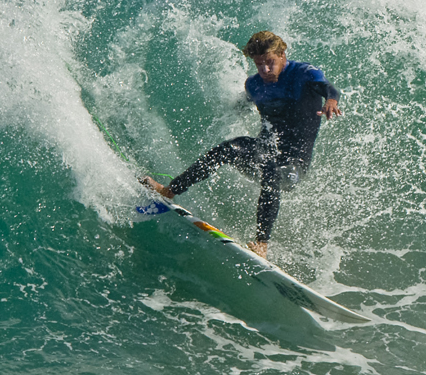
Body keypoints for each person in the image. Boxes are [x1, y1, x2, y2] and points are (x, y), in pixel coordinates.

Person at [141, 31, 342, 257]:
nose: (265, 70)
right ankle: (170, 190)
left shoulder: (304, 73)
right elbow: (240, 107)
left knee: (273, 173)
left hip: (294, 165)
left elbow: (329, 88)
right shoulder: (254, 85)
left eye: (270, 62)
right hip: (265, 154)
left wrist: (332, 101)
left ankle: (262, 244)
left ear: (282, 55)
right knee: (231, 147)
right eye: (259, 64)